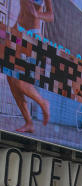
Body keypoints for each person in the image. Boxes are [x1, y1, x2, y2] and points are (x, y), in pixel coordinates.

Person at [7, 0, 53, 134]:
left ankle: (43, 102)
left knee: (20, 82)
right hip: (18, 33)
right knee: (10, 78)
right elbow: (22, 12)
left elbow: (51, 15)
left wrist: (37, 15)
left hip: (32, 36)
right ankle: (29, 122)